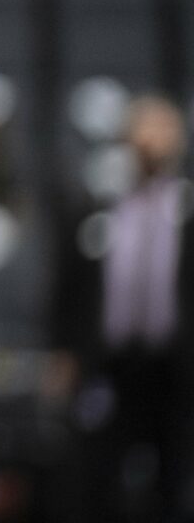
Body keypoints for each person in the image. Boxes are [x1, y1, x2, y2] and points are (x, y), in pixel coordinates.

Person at [52, 93, 194, 523]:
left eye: (163, 129)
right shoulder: (97, 206)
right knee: (98, 480)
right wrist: (63, 352)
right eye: (143, 129)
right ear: (125, 138)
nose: (152, 141)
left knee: (173, 480)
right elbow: (67, 287)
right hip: (108, 365)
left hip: (174, 367)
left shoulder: (186, 209)